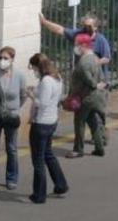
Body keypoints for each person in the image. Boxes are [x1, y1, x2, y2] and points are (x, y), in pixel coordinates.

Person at [0, 46, 27, 190]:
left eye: (6, 58)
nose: (2, 61)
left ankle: (11, 178)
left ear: (12, 59)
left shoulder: (20, 76)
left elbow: (23, 95)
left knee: (12, 148)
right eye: (0, 58)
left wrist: (14, 109)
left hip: (12, 116)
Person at [27, 53, 68, 204]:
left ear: (39, 67)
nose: (34, 71)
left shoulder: (46, 81)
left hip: (41, 124)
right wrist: (35, 90)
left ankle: (39, 194)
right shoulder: (57, 78)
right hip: (52, 121)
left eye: (34, 68)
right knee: (48, 154)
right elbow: (53, 98)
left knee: (38, 161)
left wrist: (31, 95)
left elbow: (41, 103)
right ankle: (60, 184)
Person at [67, 34, 108, 158]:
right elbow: (101, 76)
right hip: (95, 98)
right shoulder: (95, 58)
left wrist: (95, 85)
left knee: (79, 123)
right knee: (93, 122)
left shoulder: (84, 62)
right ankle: (99, 147)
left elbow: (89, 81)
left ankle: (78, 149)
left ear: (84, 45)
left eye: (77, 45)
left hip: (84, 97)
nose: (75, 47)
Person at [39, 13, 111, 76]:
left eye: (89, 26)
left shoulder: (101, 40)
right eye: (85, 26)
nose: (86, 28)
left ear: (95, 27)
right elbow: (60, 30)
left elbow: (107, 58)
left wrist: (92, 63)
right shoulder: (79, 34)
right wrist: (44, 22)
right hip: (81, 75)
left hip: (96, 77)